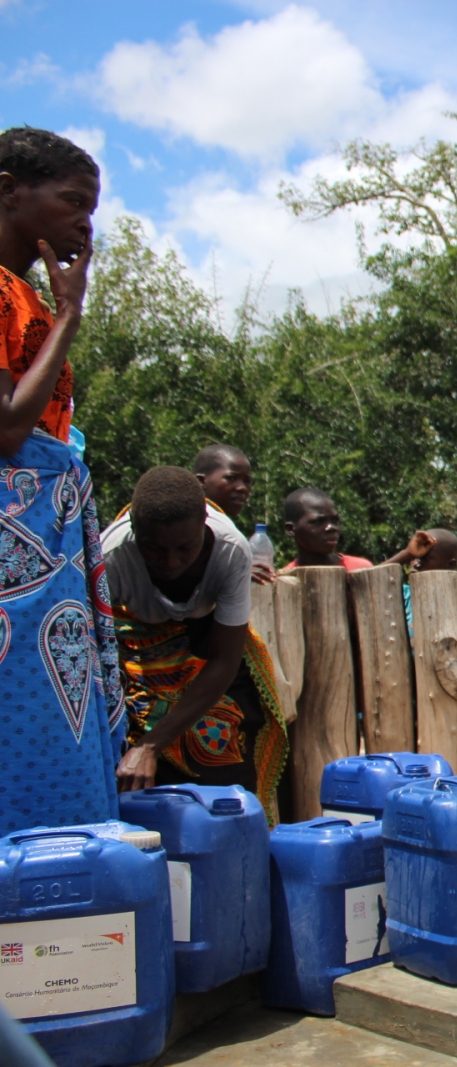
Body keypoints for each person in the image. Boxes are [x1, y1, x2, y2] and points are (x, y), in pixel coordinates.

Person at [0, 126, 124, 837]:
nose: (85, 222)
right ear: (10, 192)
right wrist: (72, 313)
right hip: (16, 549)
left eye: (92, 207)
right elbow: (8, 430)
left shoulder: (28, 298)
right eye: (72, 201)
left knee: (60, 716)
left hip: (47, 547)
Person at [103, 467, 288, 811]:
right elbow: (96, 655)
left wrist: (150, 746)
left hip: (210, 645)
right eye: (153, 548)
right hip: (137, 648)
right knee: (135, 779)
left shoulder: (231, 550)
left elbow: (224, 660)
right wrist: (138, 746)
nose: (170, 561)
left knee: (227, 773)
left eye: (185, 548)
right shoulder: (110, 557)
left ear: (205, 521)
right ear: (134, 531)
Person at [194, 443, 273, 584]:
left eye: (247, 481)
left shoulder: (217, 521)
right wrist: (236, 572)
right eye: (231, 478)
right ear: (201, 481)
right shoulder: (199, 522)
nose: (242, 488)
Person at [280, 487, 372, 572]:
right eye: (318, 521)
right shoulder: (285, 579)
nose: (332, 528)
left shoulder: (360, 569)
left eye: (335, 520)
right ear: (290, 529)